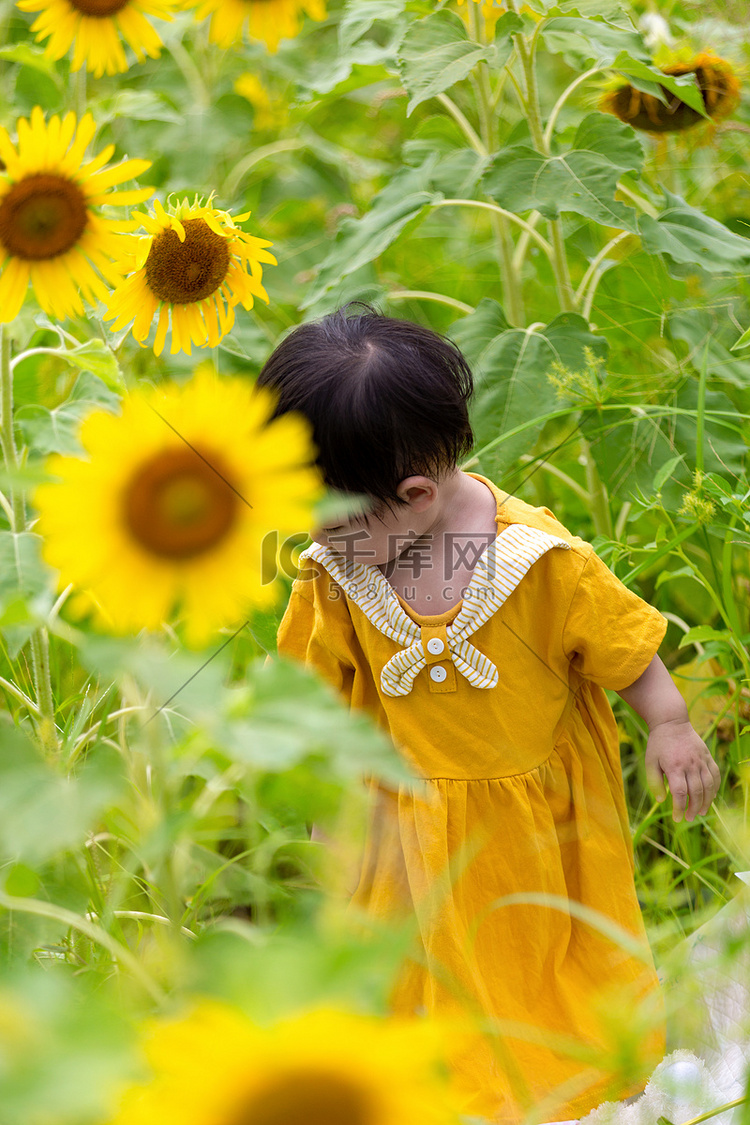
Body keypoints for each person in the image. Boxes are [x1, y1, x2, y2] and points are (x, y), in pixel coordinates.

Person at [258, 305, 721, 1124]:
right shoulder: (339, 569)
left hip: (537, 826)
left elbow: (621, 647)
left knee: (546, 965)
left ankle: (558, 1086)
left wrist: (671, 722)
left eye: (328, 521)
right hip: (405, 823)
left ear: (413, 494)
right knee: (410, 974)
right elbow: (315, 692)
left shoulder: (536, 558)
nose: (314, 540)